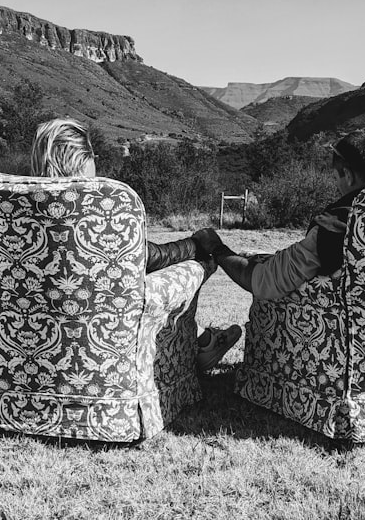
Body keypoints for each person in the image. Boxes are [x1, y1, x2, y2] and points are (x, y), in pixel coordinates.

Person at [30, 118, 240, 369]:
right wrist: (197, 246)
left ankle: (205, 341)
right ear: (83, 161)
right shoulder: (96, 211)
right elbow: (151, 258)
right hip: (105, 351)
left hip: (22, 354)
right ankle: (206, 344)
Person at [194, 131, 365, 300]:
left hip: (339, 339)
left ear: (348, 176)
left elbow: (266, 281)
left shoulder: (334, 227)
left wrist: (217, 248)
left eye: (335, 177)